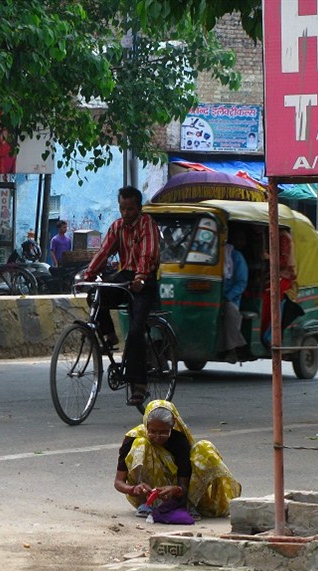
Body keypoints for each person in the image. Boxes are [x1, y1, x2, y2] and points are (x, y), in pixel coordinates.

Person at [82, 186, 160, 406]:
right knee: (95, 296)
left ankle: (140, 384)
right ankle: (109, 335)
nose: (126, 213)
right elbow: (104, 251)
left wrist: (141, 277)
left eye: (130, 209)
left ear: (139, 208)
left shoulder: (147, 225)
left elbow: (148, 253)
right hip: (125, 275)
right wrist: (89, 275)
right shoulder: (117, 227)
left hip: (145, 281)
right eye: (122, 208)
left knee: (136, 332)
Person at [114, 400, 242, 519]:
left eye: (164, 432)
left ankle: (189, 504)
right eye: (152, 431)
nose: (158, 437)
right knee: (140, 444)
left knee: (204, 447)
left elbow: (184, 484)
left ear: (173, 425)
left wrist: (177, 490)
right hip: (145, 494)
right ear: (146, 424)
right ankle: (147, 504)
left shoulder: (180, 441)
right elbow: (118, 482)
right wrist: (133, 489)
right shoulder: (133, 437)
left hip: (175, 493)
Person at [260, 227, 298, 345]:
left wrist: (268, 257)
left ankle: (270, 337)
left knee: (269, 300)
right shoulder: (275, 237)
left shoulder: (283, 238)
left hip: (283, 278)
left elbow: (283, 261)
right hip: (275, 276)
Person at [218, 228, 249, 363]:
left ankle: (232, 350)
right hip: (211, 297)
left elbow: (241, 283)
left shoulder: (236, 257)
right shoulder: (212, 255)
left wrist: (227, 297)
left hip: (230, 299)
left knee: (230, 313)